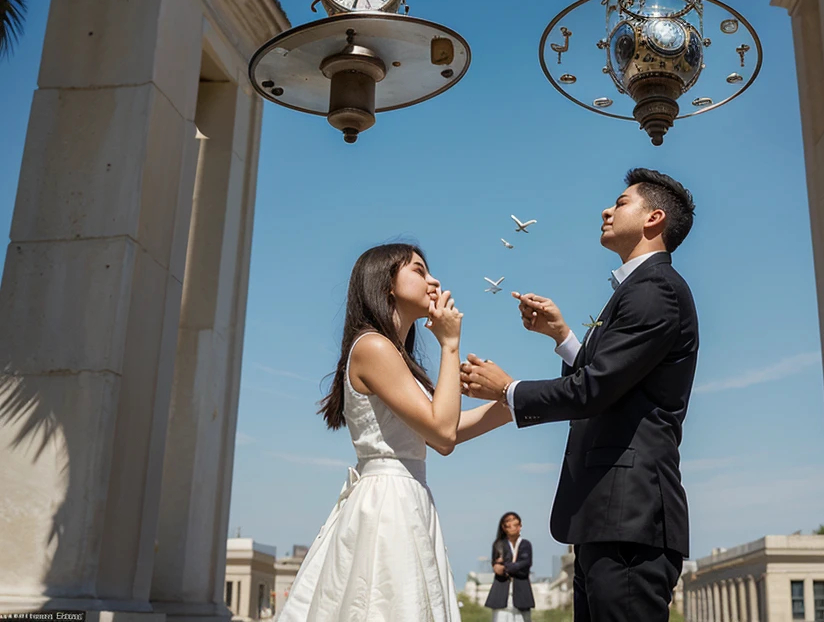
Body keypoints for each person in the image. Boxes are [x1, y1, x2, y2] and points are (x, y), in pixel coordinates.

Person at [461, 169, 699, 622]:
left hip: (629, 518)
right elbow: (611, 382)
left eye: (621, 202)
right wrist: (563, 337)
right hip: (607, 518)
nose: (607, 210)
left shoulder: (656, 290)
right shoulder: (638, 290)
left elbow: (594, 390)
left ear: (654, 218)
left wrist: (507, 390)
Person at [277, 243, 512, 622]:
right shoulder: (374, 346)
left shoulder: (392, 353)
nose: (433, 279)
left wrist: (512, 399)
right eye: (419, 270)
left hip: (403, 495)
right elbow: (443, 434)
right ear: (386, 283)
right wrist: (450, 345)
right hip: (389, 503)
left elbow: (439, 432)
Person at [485, 512, 535, 621]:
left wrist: (506, 567)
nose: (512, 528)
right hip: (502, 592)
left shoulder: (525, 544)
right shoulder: (499, 544)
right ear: (503, 528)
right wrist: (509, 567)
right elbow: (497, 568)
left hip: (521, 592)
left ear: (520, 526)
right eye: (508, 525)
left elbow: (525, 564)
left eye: (515, 525)